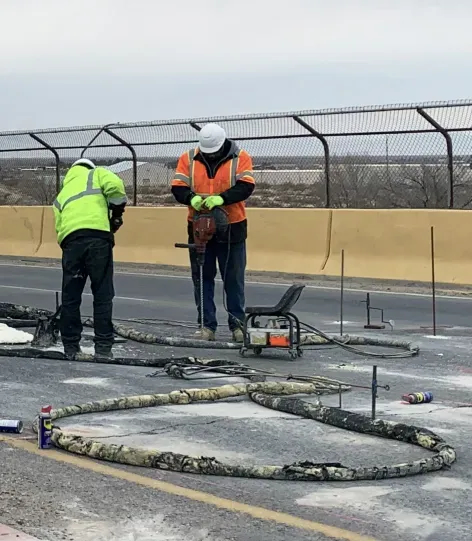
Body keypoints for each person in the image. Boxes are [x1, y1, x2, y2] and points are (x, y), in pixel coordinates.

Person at [171, 123, 255, 342]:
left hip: (232, 227)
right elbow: (178, 187)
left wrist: (223, 198)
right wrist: (192, 199)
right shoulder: (189, 158)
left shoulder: (240, 157)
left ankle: (237, 325)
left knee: (233, 279)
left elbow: (246, 186)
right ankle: (206, 326)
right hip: (199, 227)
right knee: (202, 278)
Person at [52, 158, 127, 360]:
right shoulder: (96, 174)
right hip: (98, 240)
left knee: (71, 297)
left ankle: (70, 347)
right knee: (102, 294)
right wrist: (117, 214)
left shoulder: (62, 194)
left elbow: (59, 227)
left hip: (71, 243)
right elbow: (116, 187)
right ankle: (103, 347)